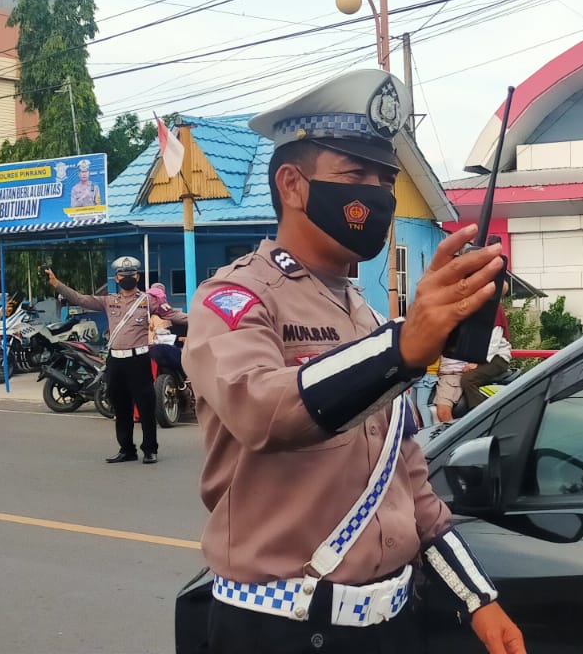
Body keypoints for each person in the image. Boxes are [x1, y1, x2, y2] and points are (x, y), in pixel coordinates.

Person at [183, 69, 526, 654]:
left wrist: (478, 598)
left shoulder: (364, 317)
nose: (378, 194)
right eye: (356, 174)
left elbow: (404, 478)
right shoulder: (234, 299)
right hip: (279, 632)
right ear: (292, 185)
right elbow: (261, 410)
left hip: (391, 626)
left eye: (386, 178)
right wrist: (401, 349)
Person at [47, 257, 186, 464]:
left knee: (146, 406)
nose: (127, 279)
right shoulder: (108, 300)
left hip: (138, 359)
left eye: (131, 276)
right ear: (117, 278)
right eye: (123, 276)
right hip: (116, 361)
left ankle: (150, 450)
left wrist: (207, 317)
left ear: (137, 277)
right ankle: (126, 449)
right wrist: (57, 284)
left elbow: (175, 315)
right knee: (121, 408)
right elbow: (80, 299)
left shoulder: (148, 301)